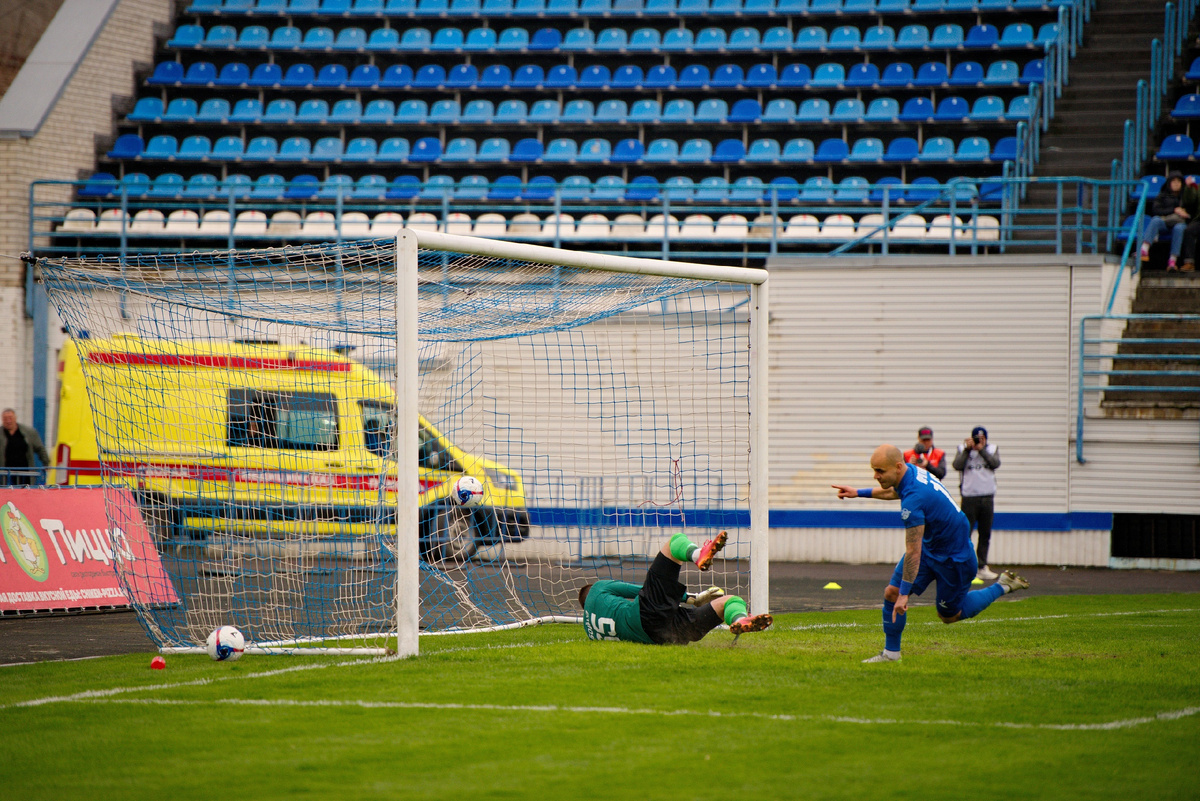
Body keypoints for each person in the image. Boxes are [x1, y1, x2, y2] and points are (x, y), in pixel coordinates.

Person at [833, 444, 1028, 663]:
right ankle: (891, 654)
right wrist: (858, 493)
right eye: (874, 470)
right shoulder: (911, 472)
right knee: (892, 593)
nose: (875, 476)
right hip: (932, 548)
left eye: (880, 471)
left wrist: (905, 594)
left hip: (955, 559)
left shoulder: (914, 499)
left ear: (897, 467)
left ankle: (1001, 585)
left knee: (949, 616)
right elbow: (893, 491)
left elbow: (913, 552)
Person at [578, 531, 773, 645]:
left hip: (663, 636)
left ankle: (740, 620)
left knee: (728, 602)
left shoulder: (590, 631)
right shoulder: (598, 588)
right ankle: (698, 554)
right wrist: (687, 597)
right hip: (645, 615)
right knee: (673, 543)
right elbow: (632, 590)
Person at [953, 426, 1002, 580]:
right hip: (969, 497)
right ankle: (964, 565)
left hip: (987, 496)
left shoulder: (992, 449)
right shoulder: (963, 449)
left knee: (985, 533)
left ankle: (982, 565)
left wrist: (981, 450)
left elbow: (995, 464)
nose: (978, 442)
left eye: (981, 439)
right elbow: (957, 465)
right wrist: (968, 450)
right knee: (965, 532)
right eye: (976, 439)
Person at [1140, 171, 1194, 271]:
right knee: (1155, 220)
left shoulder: (1185, 196)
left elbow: (1191, 209)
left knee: (1180, 227)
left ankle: (1172, 261)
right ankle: (1144, 249)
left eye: (1178, 181)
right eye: (1173, 181)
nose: (1176, 183)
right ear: (1169, 183)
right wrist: (1174, 210)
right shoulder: (1162, 195)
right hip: (1164, 223)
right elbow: (1156, 210)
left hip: (1178, 224)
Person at [0, 409, 51, 486]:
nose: (8, 421)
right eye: (5, 419)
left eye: (10, 418)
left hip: (25, 472)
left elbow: (40, 448)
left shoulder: (29, 432)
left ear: (15, 418)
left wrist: (46, 463)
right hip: (5, 474)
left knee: (24, 494)